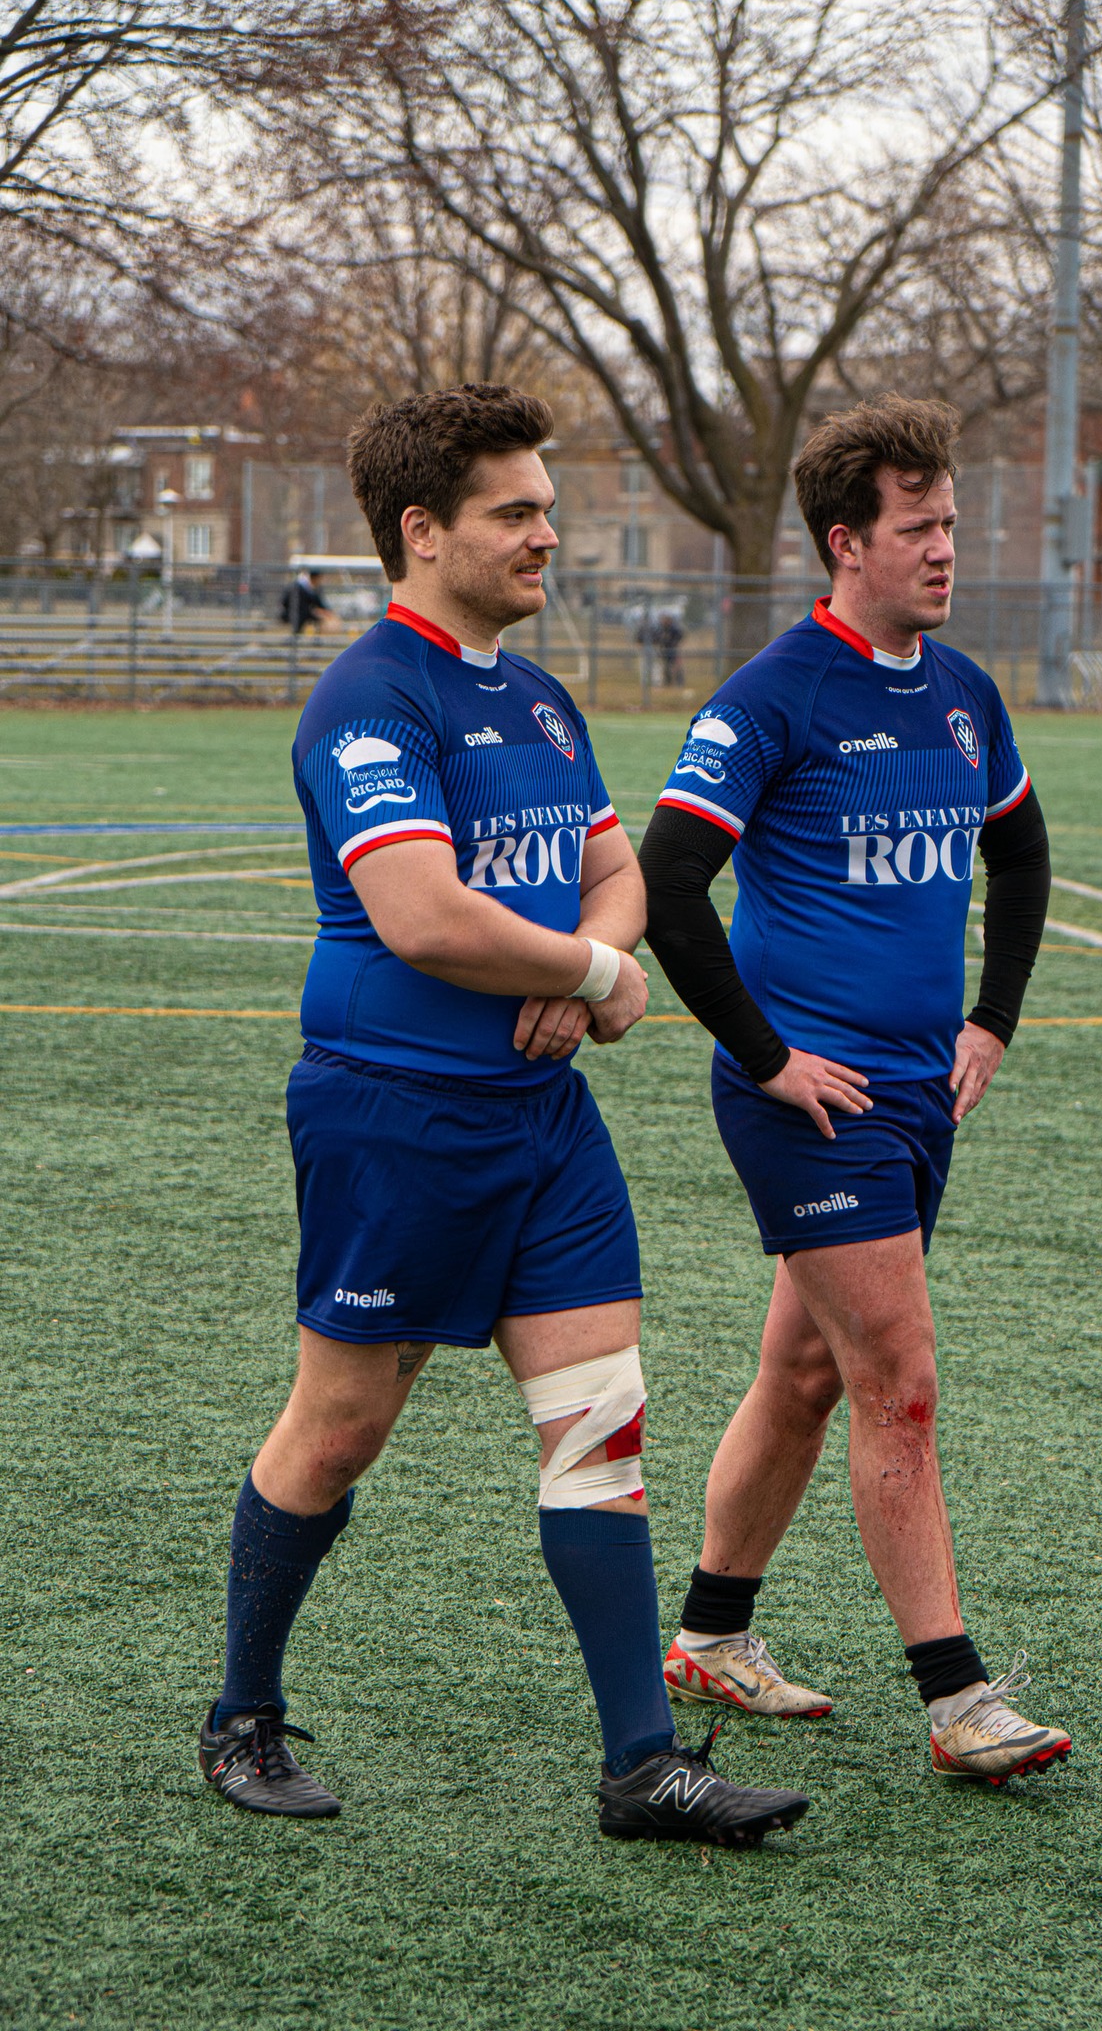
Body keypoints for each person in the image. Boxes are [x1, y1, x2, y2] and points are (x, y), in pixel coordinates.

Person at [198, 383, 807, 1848]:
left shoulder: (535, 695)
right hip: (395, 1117)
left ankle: (642, 1765)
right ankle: (242, 1714)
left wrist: (585, 962)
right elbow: (420, 917)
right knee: (341, 1429)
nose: (548, 535)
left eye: (548, 509)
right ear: (422, 529)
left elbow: (619, 872)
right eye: (515, 512)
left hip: (543, 1118)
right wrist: (597, 974)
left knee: (601, 1426)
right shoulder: (371, 696)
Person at [638, 395, 1071, 1786]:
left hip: (919, 1096)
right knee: (900, 1381)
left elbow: (1021, 852)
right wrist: (768, 1057)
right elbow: (666, 884)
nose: (945, 549)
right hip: (812, 1106)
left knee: (809, 1371)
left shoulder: (962, 694)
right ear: (845, 542)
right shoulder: (771, 696)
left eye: (950, 523)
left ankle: (710, 1633)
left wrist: (991, 1021)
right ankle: (958, 1700)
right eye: (918, 526)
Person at [280, 567, 337, 635]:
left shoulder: (306, 586)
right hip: (295, 614)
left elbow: (318, 602)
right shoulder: (300, 587)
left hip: (301, 613)